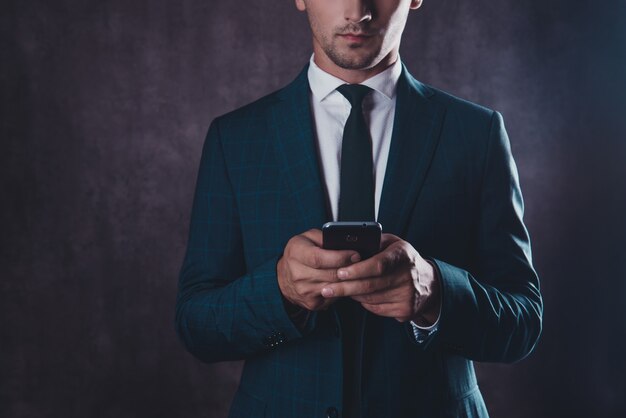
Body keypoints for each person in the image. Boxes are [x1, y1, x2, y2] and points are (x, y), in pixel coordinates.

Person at [175, 0, 543, 417]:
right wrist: (279, 290)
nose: (358, 10)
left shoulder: (477, 134)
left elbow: (523, 321)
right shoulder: (236, 139)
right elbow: (196, 325)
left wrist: (433, 291)